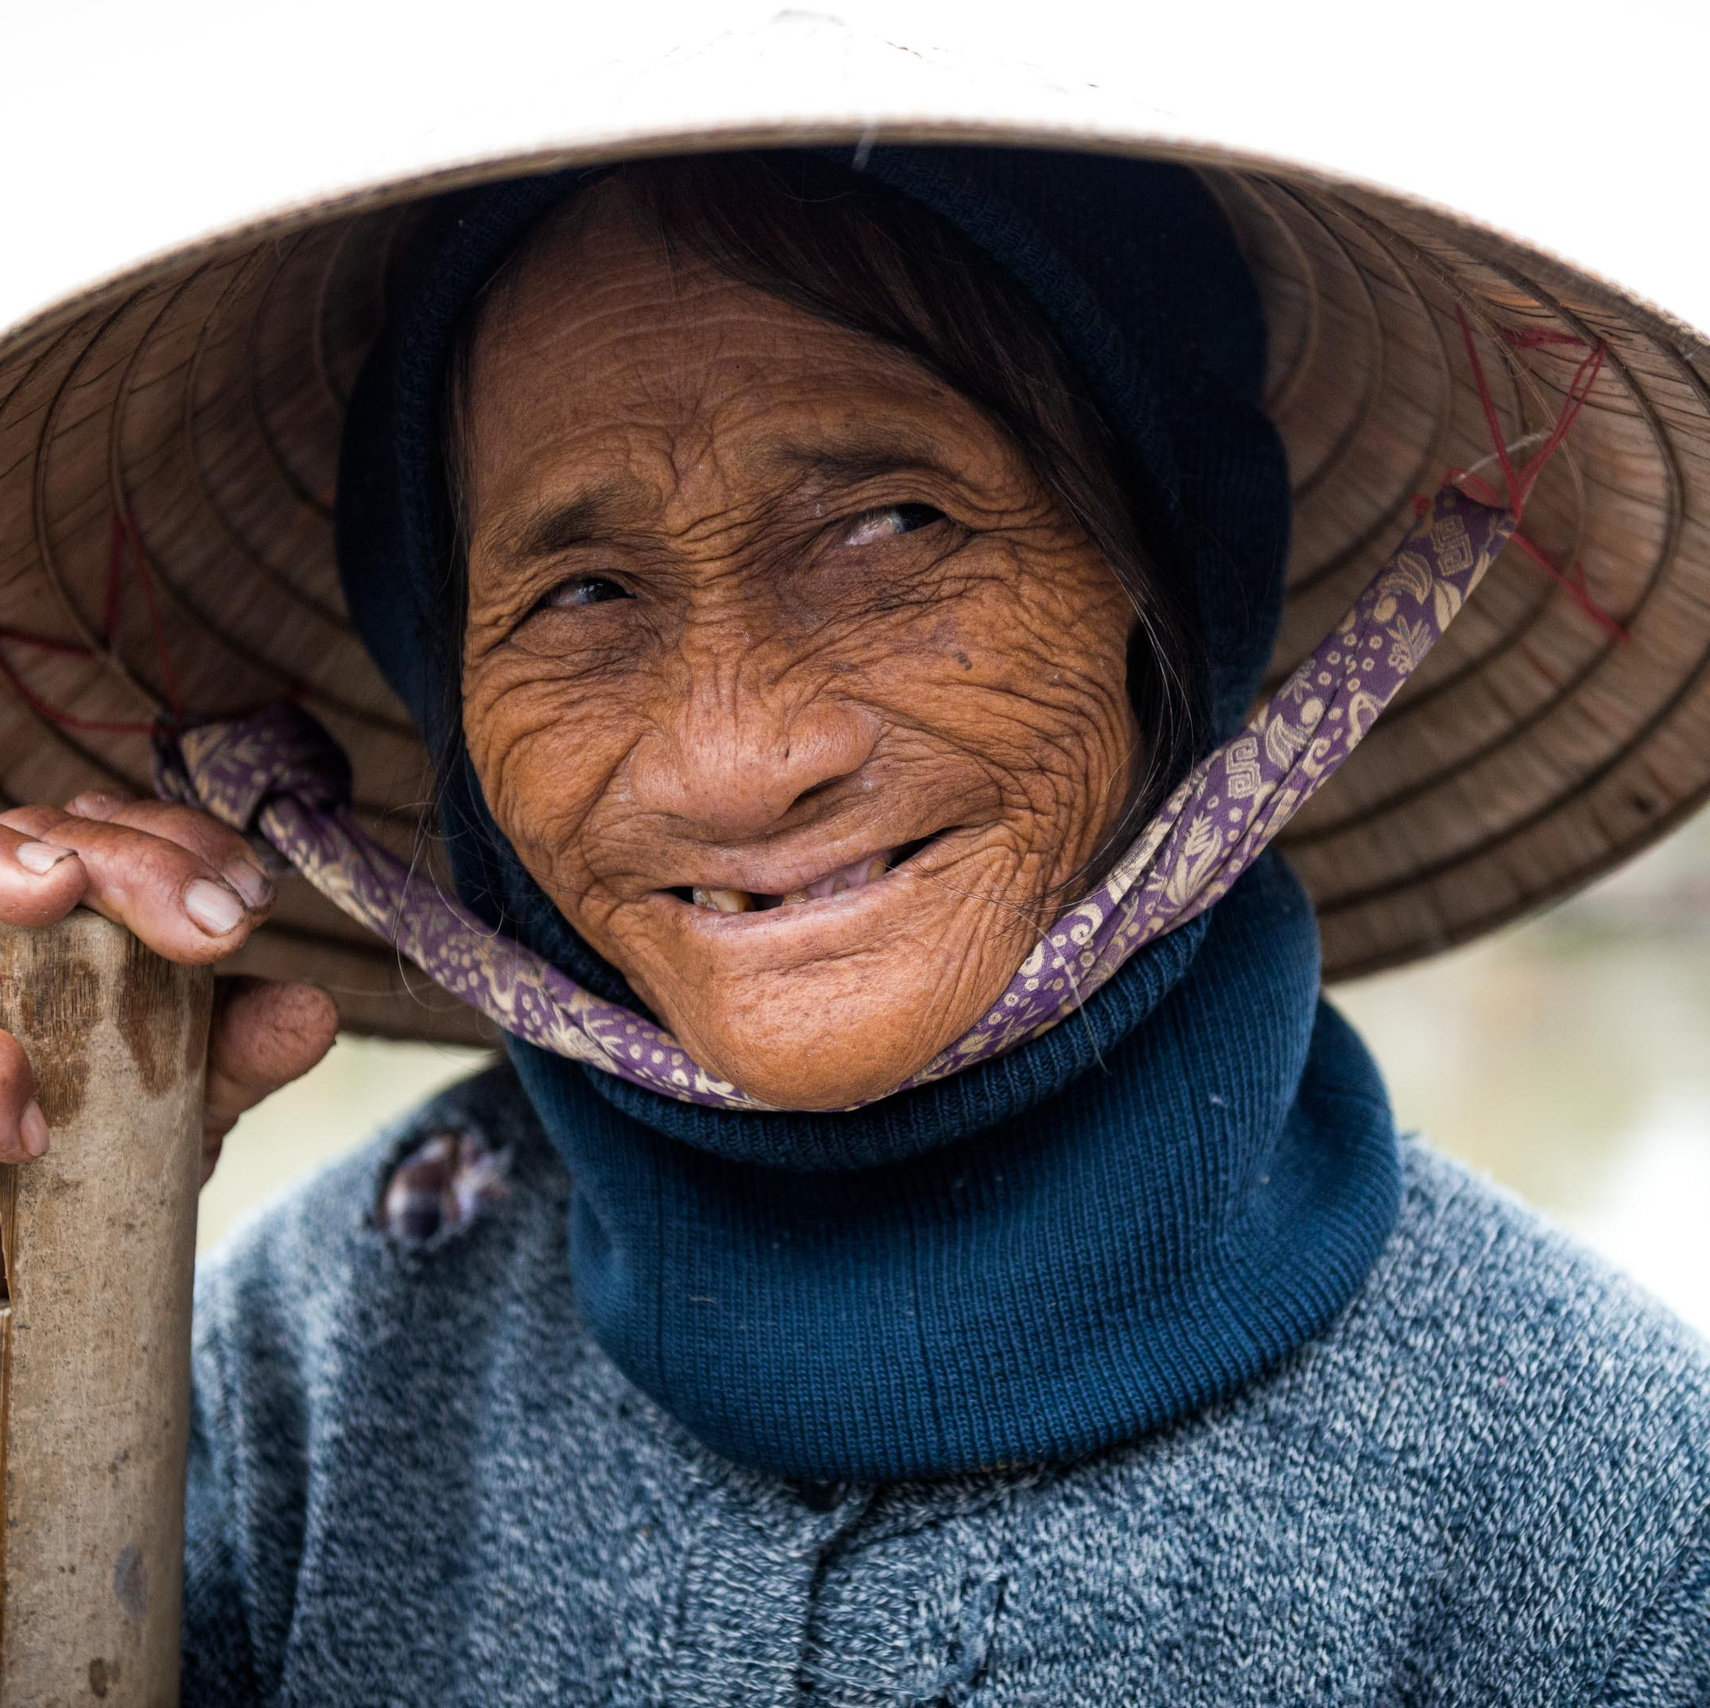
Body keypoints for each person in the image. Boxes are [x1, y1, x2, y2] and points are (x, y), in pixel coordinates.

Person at [1, 148, 1707, 1702]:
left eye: (890, 527)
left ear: (1168, 589)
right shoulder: (305, 1368)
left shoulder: (1602, 1512)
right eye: (580, 593)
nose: (737, 758)